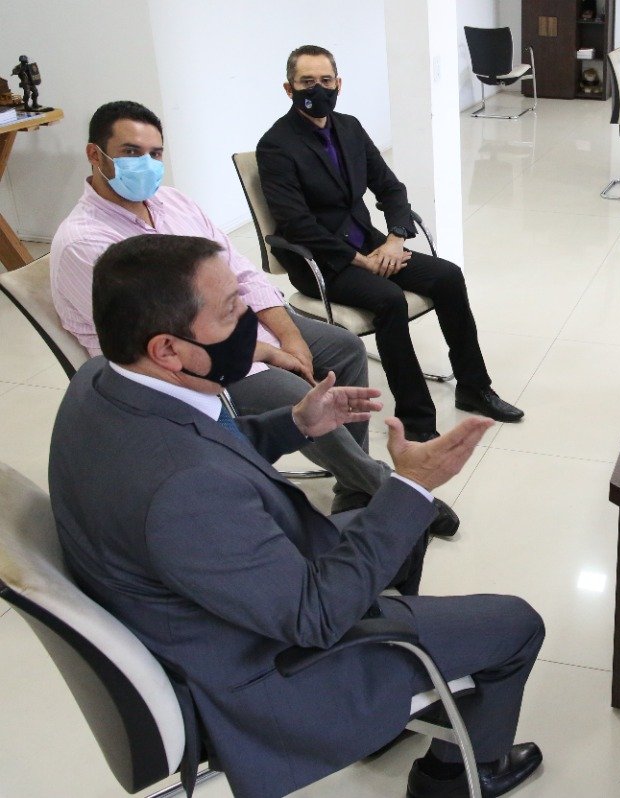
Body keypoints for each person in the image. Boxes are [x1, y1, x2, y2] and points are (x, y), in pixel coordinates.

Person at [49, 234, 545, 798]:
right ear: (168, 349)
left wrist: (295, 424)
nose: (251, 320)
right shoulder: (185, 493)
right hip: (266, 672)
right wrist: (412, 485)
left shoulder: (101, 380)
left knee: (400, 533)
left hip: (222, 597)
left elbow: (201, 445)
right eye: (231, 310)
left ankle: (395, 697)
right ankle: (452, 779)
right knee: (515, 624)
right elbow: (314, 617)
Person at [50, 100, 457, 530]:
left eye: (155, 154)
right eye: (131, 152)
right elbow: (167, 339)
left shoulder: (173, 203)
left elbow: (239, 272)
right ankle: (386, 488)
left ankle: (352, 482)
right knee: (294, 392)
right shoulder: (86, 243)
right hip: (184, 364)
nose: (147, 165)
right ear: (96, 155)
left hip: (230, 324)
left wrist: (291, 337)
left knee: (344, 348)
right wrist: (269, 352)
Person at [257, 44, 523, 442]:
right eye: (307, 82)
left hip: (372, 244)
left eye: (326, 80)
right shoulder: (276, 145)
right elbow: (296, 224)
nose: (318, 89)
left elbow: (390, 188)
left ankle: (473, 387)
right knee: (389, 300)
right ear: (288, 88)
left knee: (448, 276)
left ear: (339, 84)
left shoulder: (349, 128)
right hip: (321, 261)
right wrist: (360, 260)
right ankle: (417, 419)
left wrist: (396, 239)